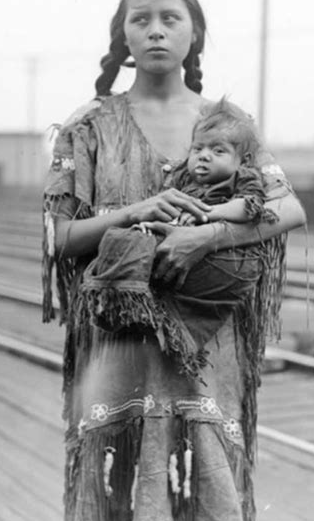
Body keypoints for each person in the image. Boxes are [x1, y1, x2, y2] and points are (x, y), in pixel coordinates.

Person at [42, 0, 306, 521]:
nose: (156, 30)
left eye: (171, 19)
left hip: (207, 339)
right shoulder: (88, 126)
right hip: (118, 334)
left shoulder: (228, 126)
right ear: (124, 38)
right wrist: (140, 207)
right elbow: (60, 238)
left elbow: (288, 208)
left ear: (195, 36)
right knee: (112, 477)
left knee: (209, 474)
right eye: (141, 19)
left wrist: (207, 237)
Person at [77, 97, 280, 383]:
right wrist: (150, 224)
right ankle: (122, 302)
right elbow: (168, 211)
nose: (204, 156)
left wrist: (207, 214)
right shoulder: (185, 179)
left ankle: (152, 315)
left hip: (218, 252)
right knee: (120, 238)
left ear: (241, 160)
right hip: (178, 239)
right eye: (198, 148)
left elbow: (250, 207)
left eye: (217, 150)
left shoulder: (243, 178)